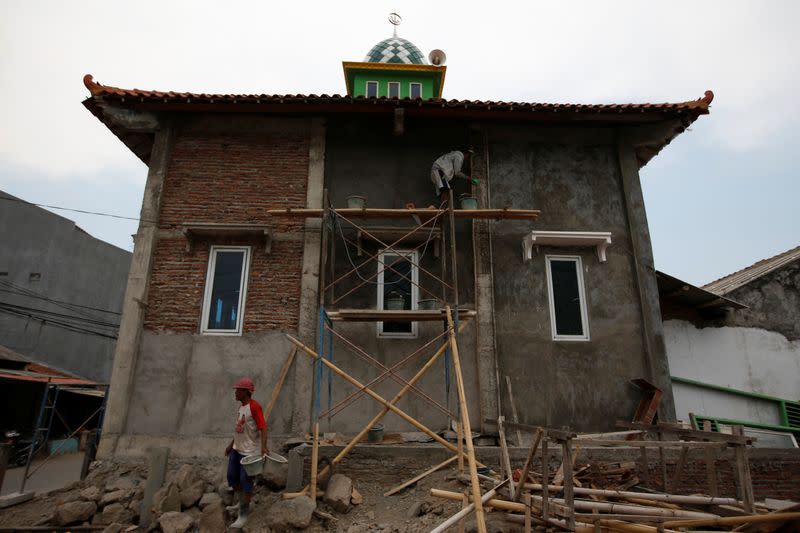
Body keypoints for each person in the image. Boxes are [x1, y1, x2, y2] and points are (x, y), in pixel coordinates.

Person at [225, 377, 268, 528]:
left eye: (238, 390)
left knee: (246, 481)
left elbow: (263, 427)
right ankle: (240, 502)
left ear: (245, 392)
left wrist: (263, 447)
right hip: (237, 449)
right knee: (232, 476)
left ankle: (243, 514)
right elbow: (239, 429)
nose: (235, 392)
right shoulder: (241, 407)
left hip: (249, 452)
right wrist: (231, 445)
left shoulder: (255, 407)